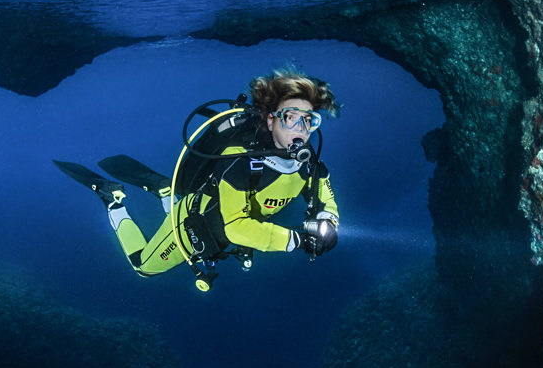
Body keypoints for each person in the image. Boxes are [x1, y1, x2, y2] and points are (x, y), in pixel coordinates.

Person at [56, 69, 340, 284]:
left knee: (187, 202)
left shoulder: (308, 165)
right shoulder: (239, 160)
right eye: (292, 116)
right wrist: (298, 240)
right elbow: (237, 228)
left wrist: (329, 220)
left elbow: (325, 196)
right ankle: (113, 199)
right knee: (143, 267)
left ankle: (166, 191)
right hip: (189, 228)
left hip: (209, 213)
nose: (301, 128)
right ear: (270, 118)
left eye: (310, 120)